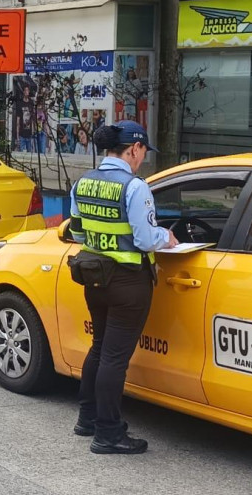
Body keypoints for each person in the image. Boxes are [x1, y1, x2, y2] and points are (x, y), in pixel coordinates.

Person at [68, 120, 178, 455]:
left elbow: (78, 233)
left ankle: (87, 420)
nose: (143, 159)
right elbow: (145, 239)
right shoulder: (134, 186)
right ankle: (109, 433)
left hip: (94, 276)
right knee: (115, 357)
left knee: (99, 348)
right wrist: (167, 237)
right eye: (143, 151)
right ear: (133, 148)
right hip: (129, 281)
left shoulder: (83, 183)